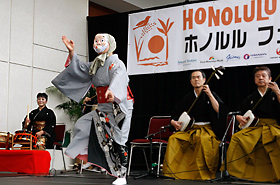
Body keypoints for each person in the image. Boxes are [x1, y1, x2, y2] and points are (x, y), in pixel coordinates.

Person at [52, 33, 134, 185]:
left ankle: (121, 175)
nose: (97, 44)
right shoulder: (96, 64)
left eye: (101, 41)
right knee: (83, 125)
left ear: (110, 43)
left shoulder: (116, 63)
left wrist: (112, 91)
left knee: (118, 140)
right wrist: (71, 52)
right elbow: (80, 68)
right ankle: (90, 155)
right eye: (95, 41)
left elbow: (119, 77)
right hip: (103, 106)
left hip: (118, 106)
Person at [162, 70, 227, 180]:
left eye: (198, 77)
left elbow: (220, 110)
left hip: (207, 129)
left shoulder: (211, 94)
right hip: (191, 129)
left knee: (202, 140)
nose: (196, 79)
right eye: (193, 78)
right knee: (174, 138)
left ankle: (201, 174)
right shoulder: (187, 98)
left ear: (204, 80)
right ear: (191, 82)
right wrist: (173, 121)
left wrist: (210, 94)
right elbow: (175, 114)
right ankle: (174, 172)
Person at [226, 66, 280, 182]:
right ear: (254, 80)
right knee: (237, 138)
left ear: (270, 78)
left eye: (263, 76)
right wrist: (238, 117)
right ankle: (237, 173)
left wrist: (278, 93)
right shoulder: (251, 97)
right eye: (257, 76)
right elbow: (239, 111)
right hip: (256, 127)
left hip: (273, 126)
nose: (260, 78)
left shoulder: (275, 93)